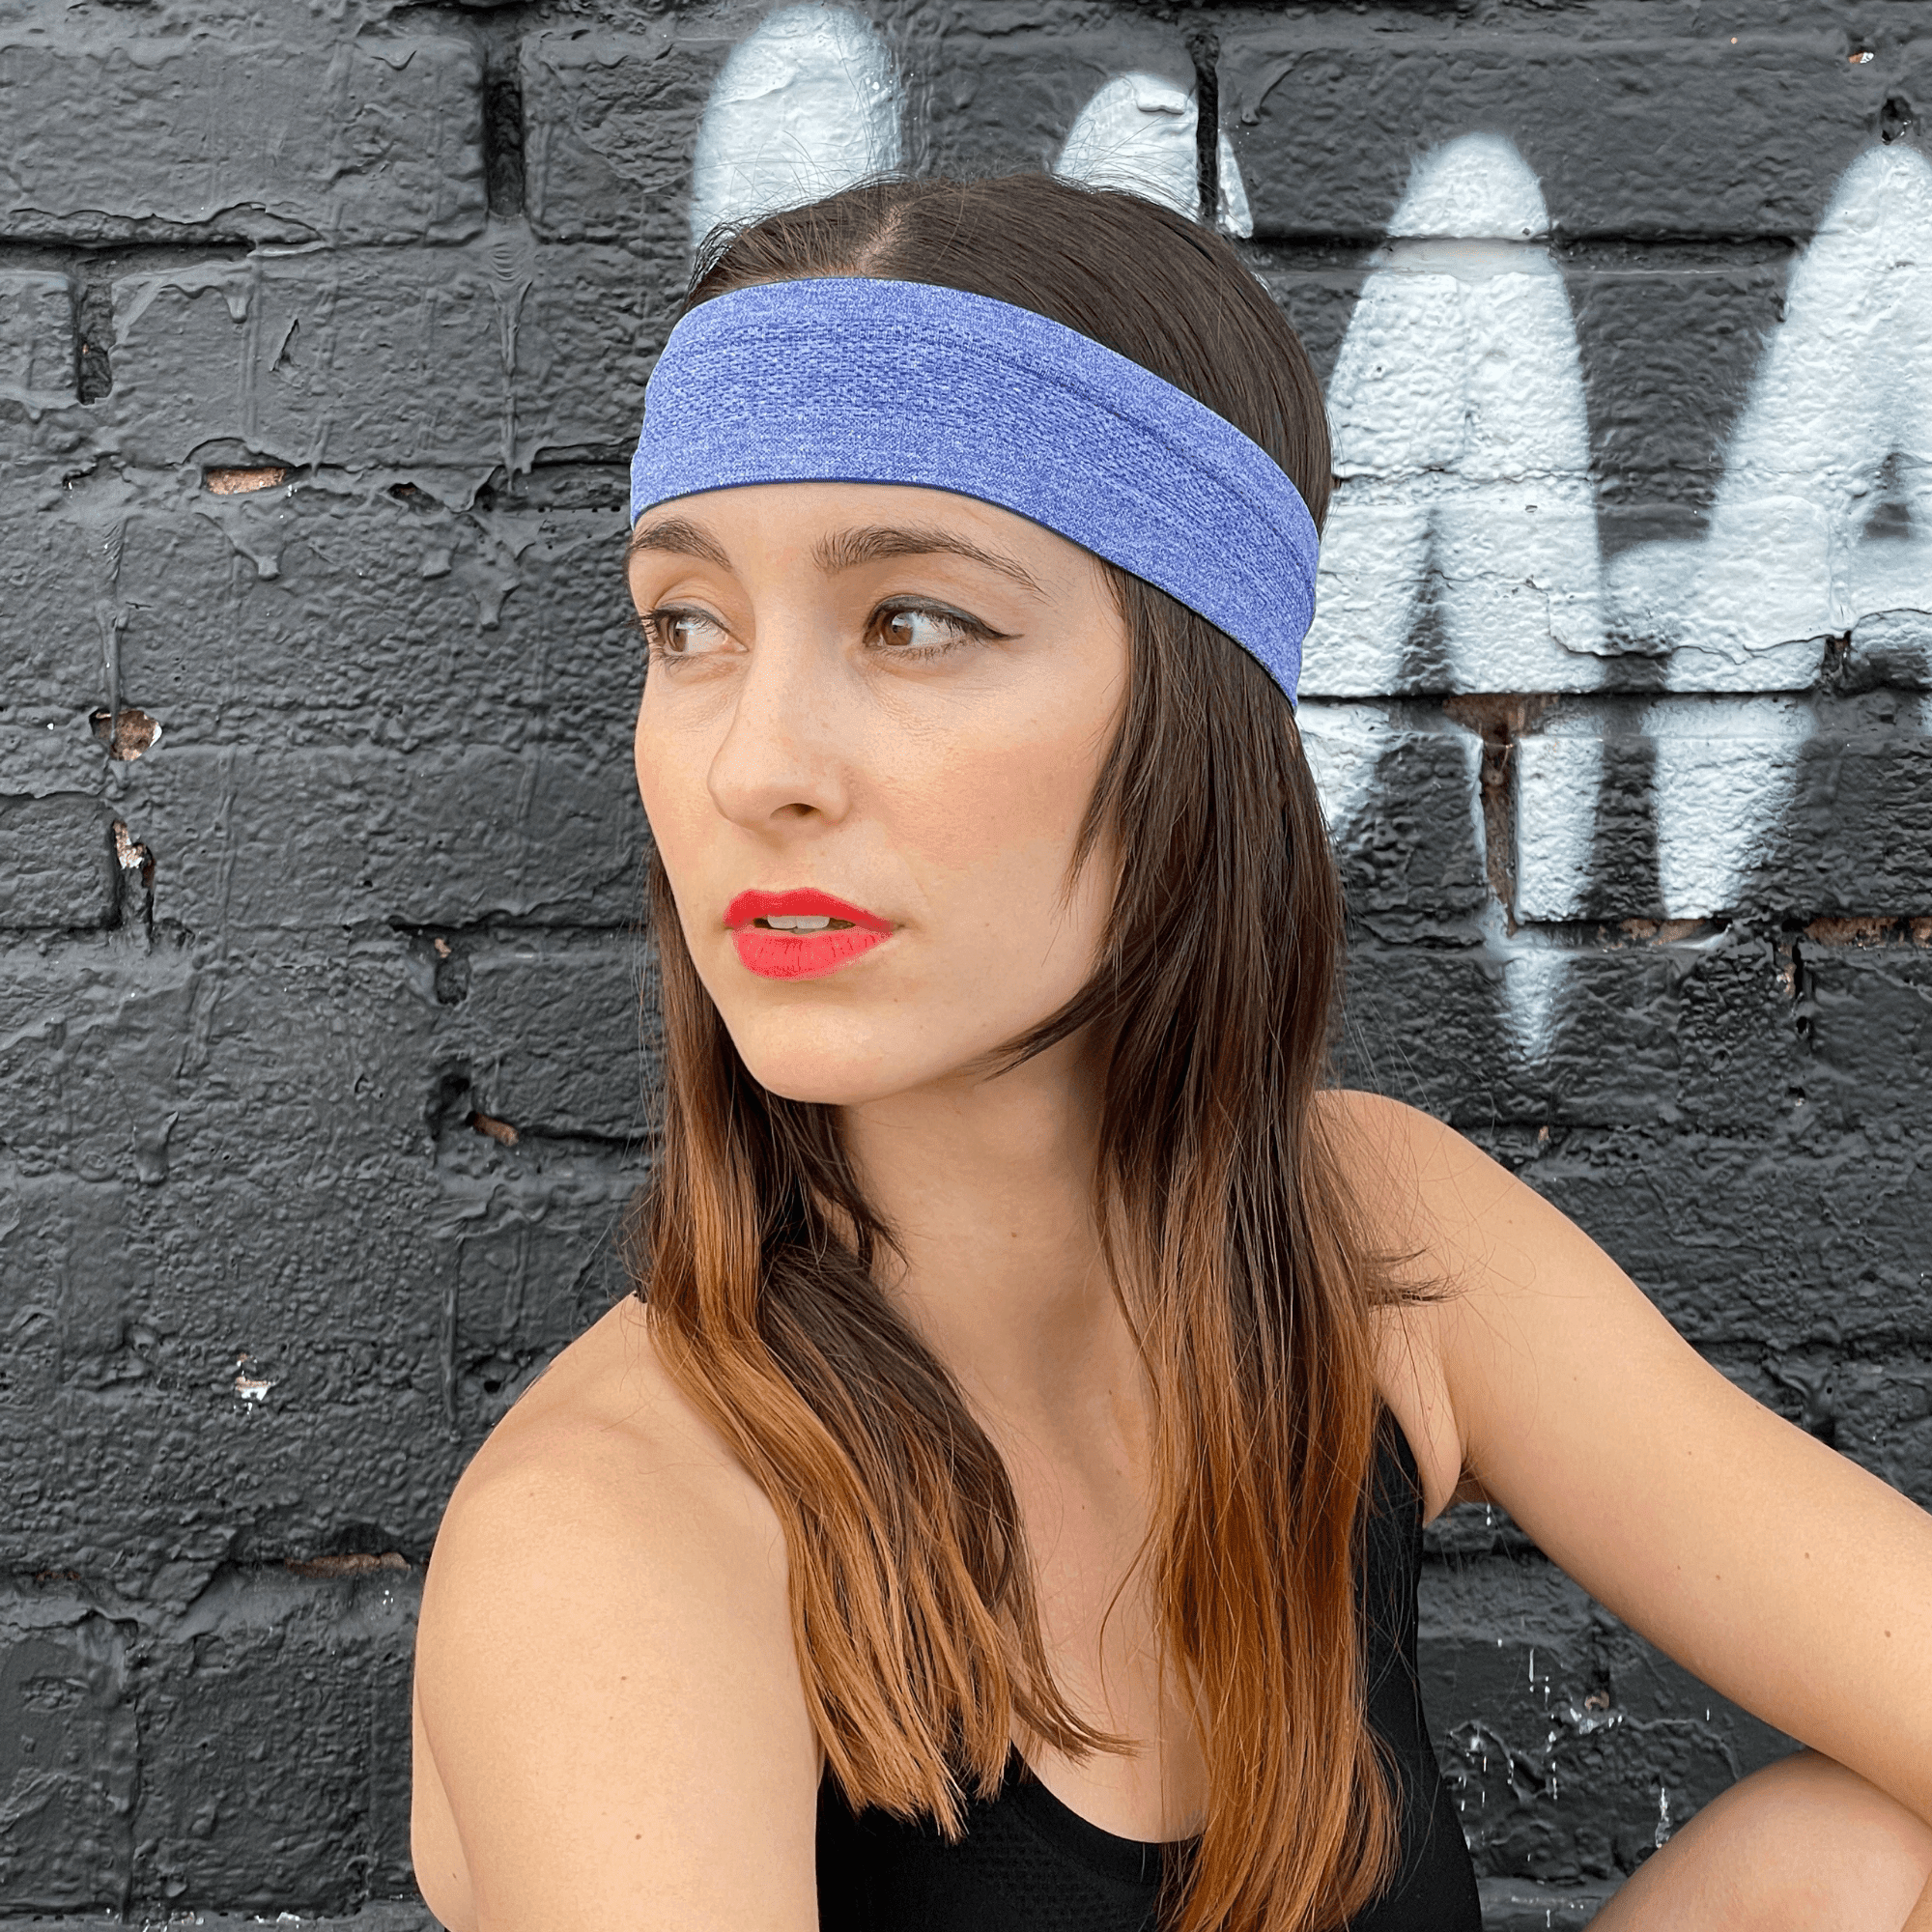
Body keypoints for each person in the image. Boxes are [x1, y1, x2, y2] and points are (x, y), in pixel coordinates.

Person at [408, 174, 1932, 1932]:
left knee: (1862, 1869)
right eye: (687, 627)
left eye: (913, 622)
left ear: (1197, 708)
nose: (755, 767)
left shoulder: (1375, 1237)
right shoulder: (614, 1538)